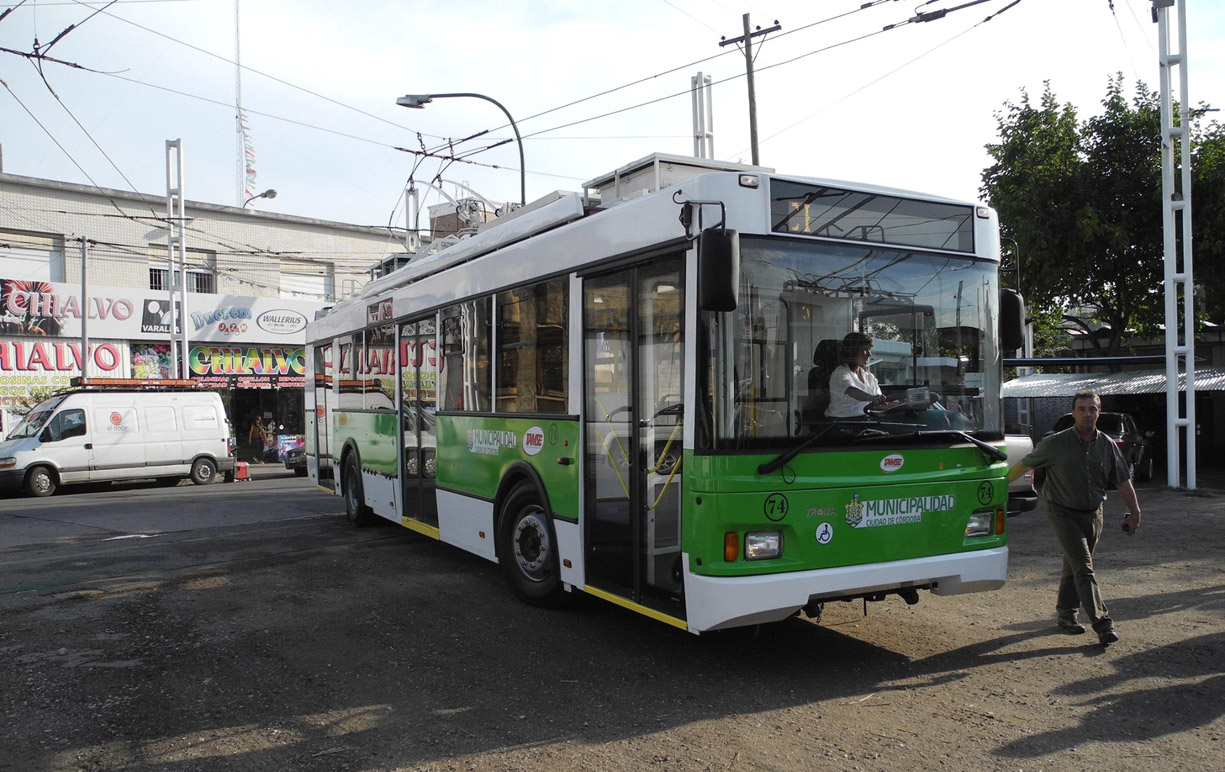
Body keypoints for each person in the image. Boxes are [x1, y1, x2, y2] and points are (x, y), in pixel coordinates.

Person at [1007, 391, 1142, 646]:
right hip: (1063, 512)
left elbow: (1123, 481)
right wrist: (997, 486)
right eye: (1081, 409)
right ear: (1073, 412)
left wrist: (1135, 512)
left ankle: (1066, 616)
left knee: (1075, 565)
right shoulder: (1055, 443)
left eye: (1092, 409)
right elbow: (1024, 465)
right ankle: (1102, 623)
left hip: (1093, 514)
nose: (1087, 414)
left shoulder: (1107, 445)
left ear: (1098, 412)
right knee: (1084, 566)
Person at [825, 331, 894, 418]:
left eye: (869, 349)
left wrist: (901, 405)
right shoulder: (840, 374)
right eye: (864, 349)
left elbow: (880, 403)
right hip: (842, 422)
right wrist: (873, 398)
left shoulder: (869, 376)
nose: (869, 354)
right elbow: (852, 392)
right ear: (852, 351)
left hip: (865, 418)